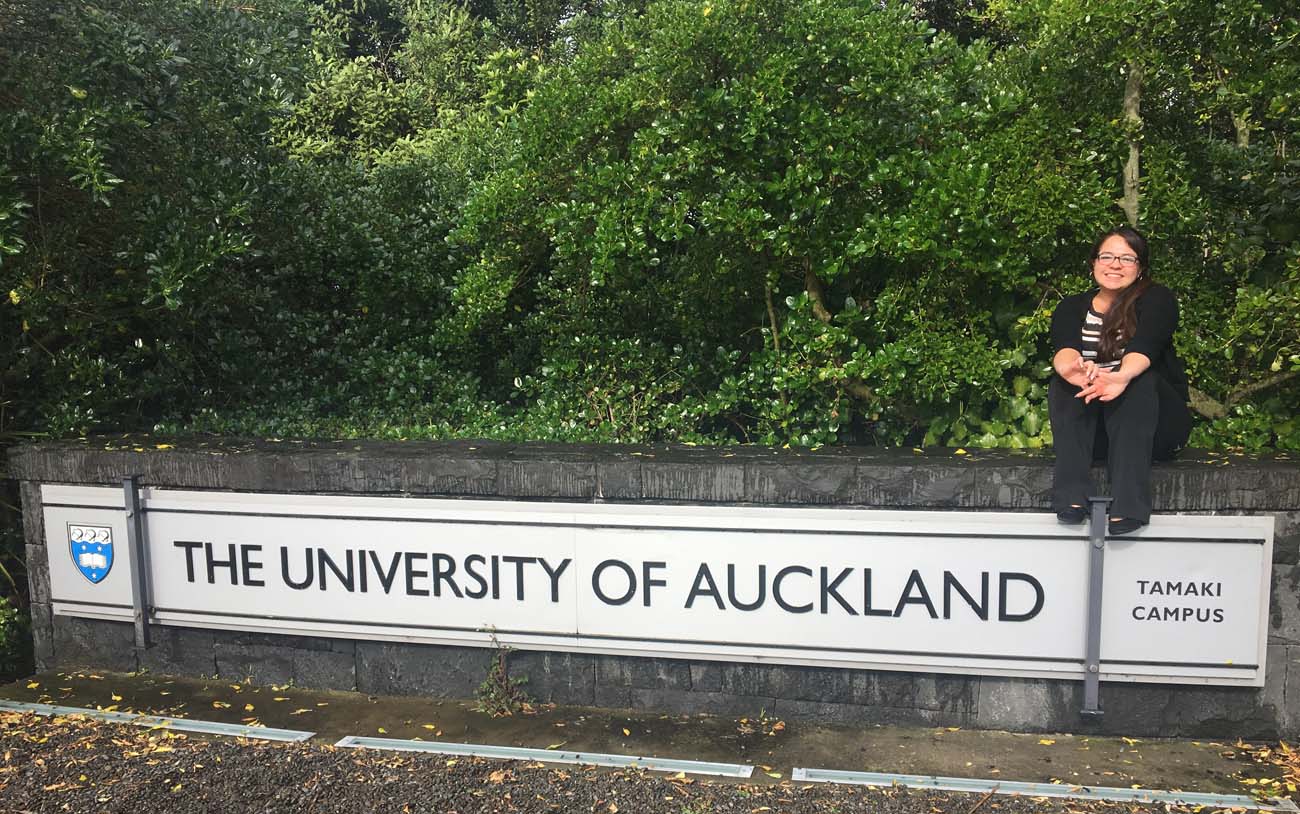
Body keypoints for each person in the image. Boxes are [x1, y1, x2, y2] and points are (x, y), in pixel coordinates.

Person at [1047, 226, 1192, 535]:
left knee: (1140, 381)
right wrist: (1072, 370)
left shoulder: (1158, 299)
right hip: (1100, 429)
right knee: (1062, 383)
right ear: (1093, 263)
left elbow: (1146, 346)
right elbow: (1064, 350)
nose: (1115, 265)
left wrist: (1121, 376)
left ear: (1140, 268)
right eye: (1107, 256)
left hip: (1155, 424)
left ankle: (1130, 505)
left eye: (1127, 258)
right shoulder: (1071, 306)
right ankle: (1070, 497)